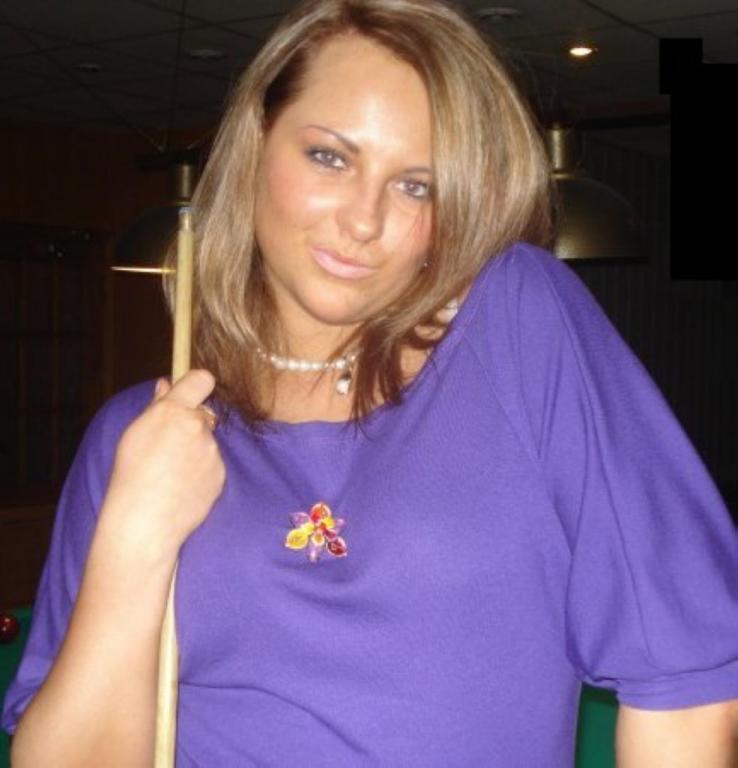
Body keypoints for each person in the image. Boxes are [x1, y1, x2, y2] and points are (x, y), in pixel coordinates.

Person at [3, 0, 738, 765]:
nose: (364, 219)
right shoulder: (143, 433)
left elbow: (690, 689)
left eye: (416, 185)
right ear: (255, 143)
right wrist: (136, 534)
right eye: (329, 157)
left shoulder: (518, 327)